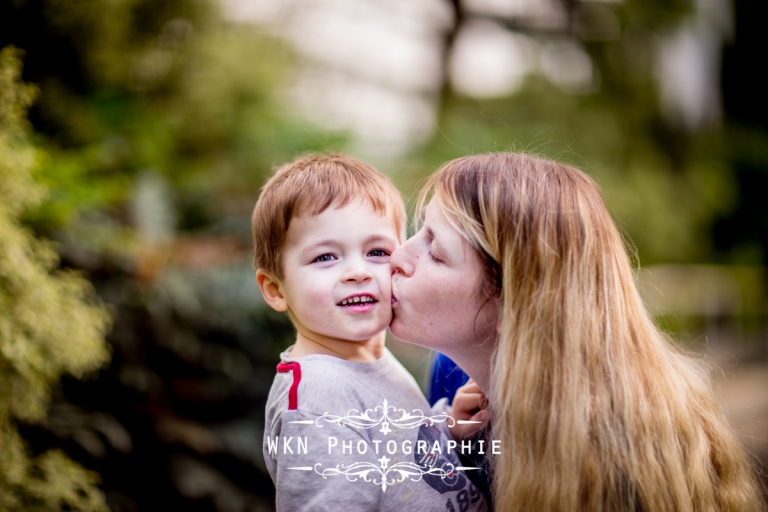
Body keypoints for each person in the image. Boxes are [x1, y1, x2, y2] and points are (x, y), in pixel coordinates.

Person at [390, 152, 764, 511]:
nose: (397, 257)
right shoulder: (453, 381)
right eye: (418, 229)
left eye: (436, 253)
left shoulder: (620, 454)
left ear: (516, 302)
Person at [253, 154, 489, 511]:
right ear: (275, 289)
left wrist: (447, 430)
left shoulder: (366, 358)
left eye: (377, 252)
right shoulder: (317, 397)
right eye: (325, 257)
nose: (357, 272)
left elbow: (400, 458)